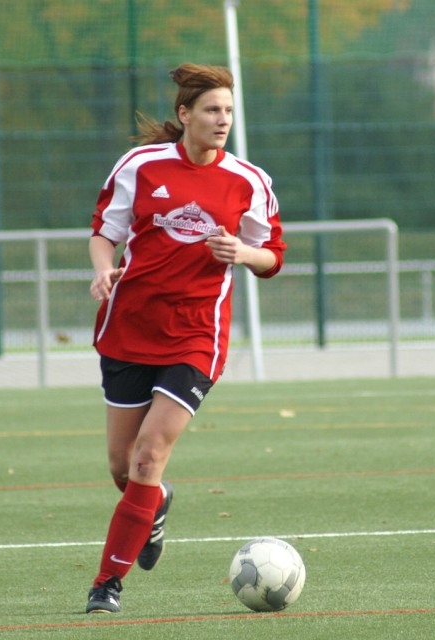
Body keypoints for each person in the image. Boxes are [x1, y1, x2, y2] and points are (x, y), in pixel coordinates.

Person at [85, 62, 286, 614]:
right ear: (185, 114)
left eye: (228, 111)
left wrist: (242, 253)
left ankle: (106, 584)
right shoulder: (140, 165)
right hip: (129, 328)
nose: (223, 120)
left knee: (149, 455)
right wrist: (102, 270)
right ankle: (155, 504)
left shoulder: (248, 180)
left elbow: (273, 256)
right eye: (212, 110)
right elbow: (104, 234)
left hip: (196, 336)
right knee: (123, 466)